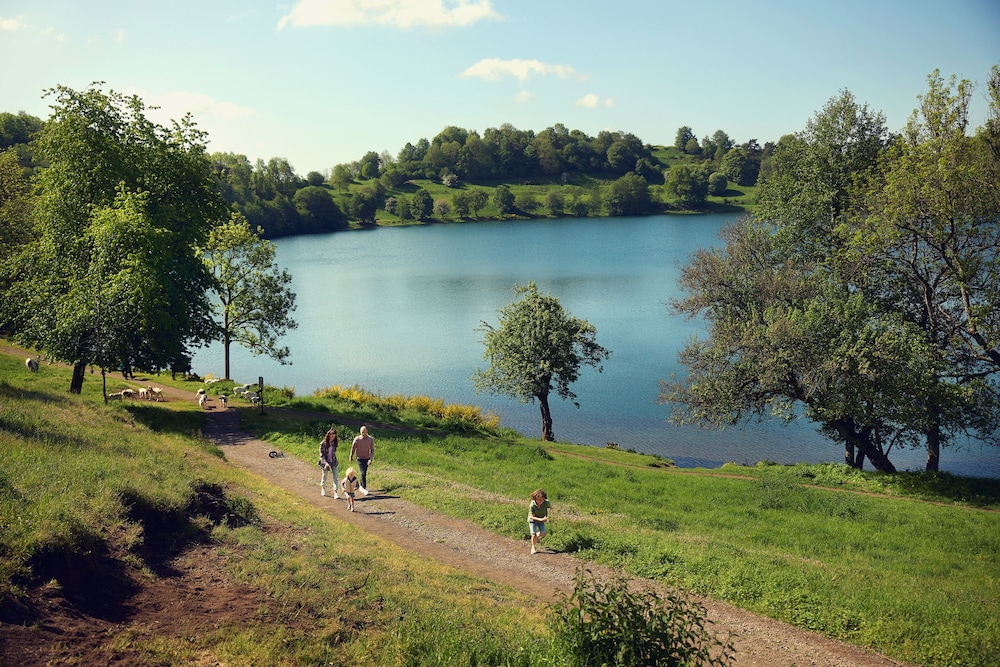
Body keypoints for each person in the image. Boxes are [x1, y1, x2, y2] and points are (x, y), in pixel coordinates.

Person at [350, 425, 375, 495]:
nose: (363, 434)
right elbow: (353, 448)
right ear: (360, 432)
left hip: (367, 458)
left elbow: (372, 450)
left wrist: (370, 459)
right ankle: (363, 487)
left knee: (364, 473)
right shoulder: (357, 439)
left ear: (367, 432)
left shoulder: (370, 439)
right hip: (360, 458)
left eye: (364, 432)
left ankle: (361, 486)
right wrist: (351, 456)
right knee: (363, 472)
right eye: (362, 432)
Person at [318, 427, 340, 498]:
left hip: (334, 462)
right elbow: (321, 455)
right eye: (332, 435)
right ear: (329, 435)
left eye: (334, 436)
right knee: (324, 476)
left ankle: (335, 493)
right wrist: (326, 463)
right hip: (325, 462)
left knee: (335, 477)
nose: (333, 437)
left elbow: (334, 452)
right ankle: (323, 488)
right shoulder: (323, 444)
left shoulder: (334, 443)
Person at [528, 488, 551, 554]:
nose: (541, 501)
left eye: (543, 499)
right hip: (533, 521)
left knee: (543, 533)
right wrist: (541, 519)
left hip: (541, 520)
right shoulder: (532, 505)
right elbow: (532, 517)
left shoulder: (546, 503)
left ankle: (536, 537)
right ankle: (533, 547)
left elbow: (550, 508)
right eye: (539, 499)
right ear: (535, 499)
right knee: (533, 534)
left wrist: (547, 517)